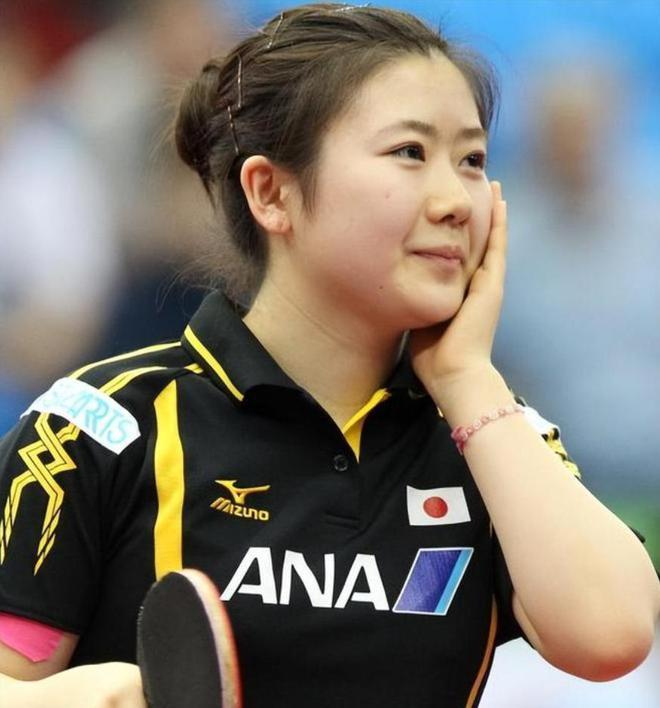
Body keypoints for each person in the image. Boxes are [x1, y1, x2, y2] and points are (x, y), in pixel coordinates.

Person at [0, 4, 658, 707]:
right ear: (270, 192)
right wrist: (84, 697)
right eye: (410, 152)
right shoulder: (97, 429)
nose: (456, 202)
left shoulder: (489, 440)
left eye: (472, 160)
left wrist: (467, 379)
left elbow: (612, 636)